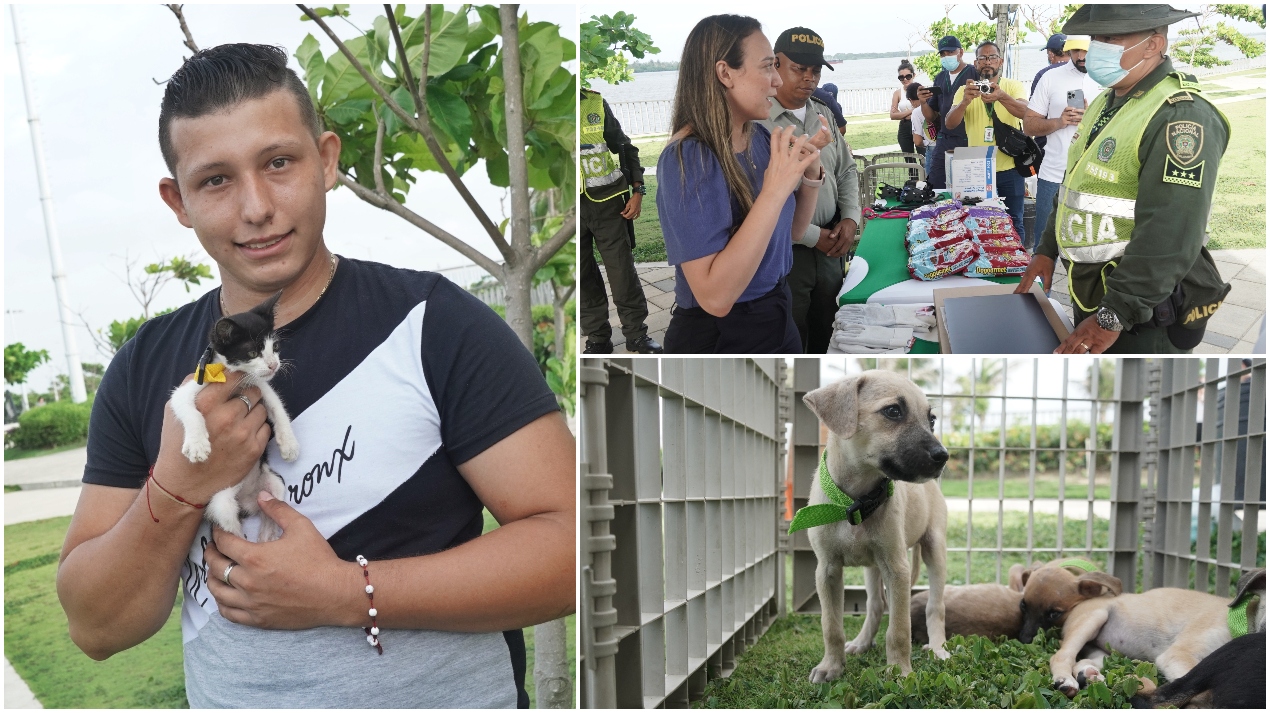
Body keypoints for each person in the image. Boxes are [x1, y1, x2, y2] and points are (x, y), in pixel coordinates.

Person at [56, 44, 574, 708]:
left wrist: (343, 593)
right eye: (215, 179)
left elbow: (569, 548)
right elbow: (96, 625)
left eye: (278, 163)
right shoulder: (141, 370)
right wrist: (180, 487)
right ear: (177, 200)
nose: (256, 207)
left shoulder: (435, 325)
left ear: (326, 160)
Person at [1015, 4, 1232, 354]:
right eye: (1095, 38)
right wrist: (1046, 249)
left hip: (1141, 312)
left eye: (1111, 38)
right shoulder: (1106, 101)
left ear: (1153, 45)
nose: (1097, 48)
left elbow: (1170, 232)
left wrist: (1114, 315)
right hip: (1093, 288)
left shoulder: (1180, 117)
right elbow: (1076, 185)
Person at [656, 14, 823, 354]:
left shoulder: (759, 137)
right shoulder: (689, 157)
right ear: (725, 73)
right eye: (766, 67)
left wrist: (809, 173)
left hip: (776, 309)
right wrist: (774, 190)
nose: (777, 81)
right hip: (723, 333)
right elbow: (715, 297)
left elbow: (789, 234)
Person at [762, 26, 862, 354]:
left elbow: (845, 170)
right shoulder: (758, 122)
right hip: (786, 253)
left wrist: (849, 217)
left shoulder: (823, 113)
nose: (809, 78)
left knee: (832, 331)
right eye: (799, 69)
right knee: (790, 336)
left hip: (832, 247)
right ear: (775, 65)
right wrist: (810, 235)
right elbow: (756, 200)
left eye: (815, 70)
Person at [579, 87, 663, 354]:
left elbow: (625, 146)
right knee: (581, 277)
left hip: (608, 203)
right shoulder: (544, 106)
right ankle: (597, 338)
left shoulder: (594, 103)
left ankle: (637, 335)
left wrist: (638, 190)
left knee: (621, 272)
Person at [945, 41, 1032, 245]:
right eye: (982, 58)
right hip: (977, 171)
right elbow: (950, 123)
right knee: (979, 221)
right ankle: (985, 263)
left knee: (1015, 221)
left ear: (1000, 61)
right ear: (975, 63)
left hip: (1010, 168)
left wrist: (1001, 96)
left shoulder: (1013, 86)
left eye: (992, 57)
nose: (987, 62)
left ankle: (1018, 266)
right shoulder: (966, 89)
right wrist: (965, 101)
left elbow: (1026, 113)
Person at [1023, 37, 1100, 252]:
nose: (1081, 57)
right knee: (1044, 247)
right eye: (1075, 50)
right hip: (1053, 174)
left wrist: (1091, 119)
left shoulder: (1110, 79)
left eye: (1086, 50)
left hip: (1095, 176)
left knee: (1091, 248)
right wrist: (1059, 121)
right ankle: (1042, 288)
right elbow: (1028, 126)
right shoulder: (1050, 77)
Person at [917, 35, 979, 188]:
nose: (946, 57)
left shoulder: (973, 73)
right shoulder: (940, 78)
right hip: (944, 139)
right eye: (943, 54)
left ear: (961, 52)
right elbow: (931, 116)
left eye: (950, 52)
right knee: (936, 183)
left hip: (968, 140)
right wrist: (923, 102)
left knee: (966, 187)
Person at [891, 59, 922, 178]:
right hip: (904, 127)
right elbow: (893, 115)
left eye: (908, 76)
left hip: (919, 125)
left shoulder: (920, 89)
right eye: (901, 77)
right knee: (910, 161)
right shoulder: (898, 93)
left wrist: (902, 113)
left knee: (923, 157)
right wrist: (913, 110)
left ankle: (926, 184)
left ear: (913, 75)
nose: (905, 79)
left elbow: (924, 109)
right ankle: (913, 185)